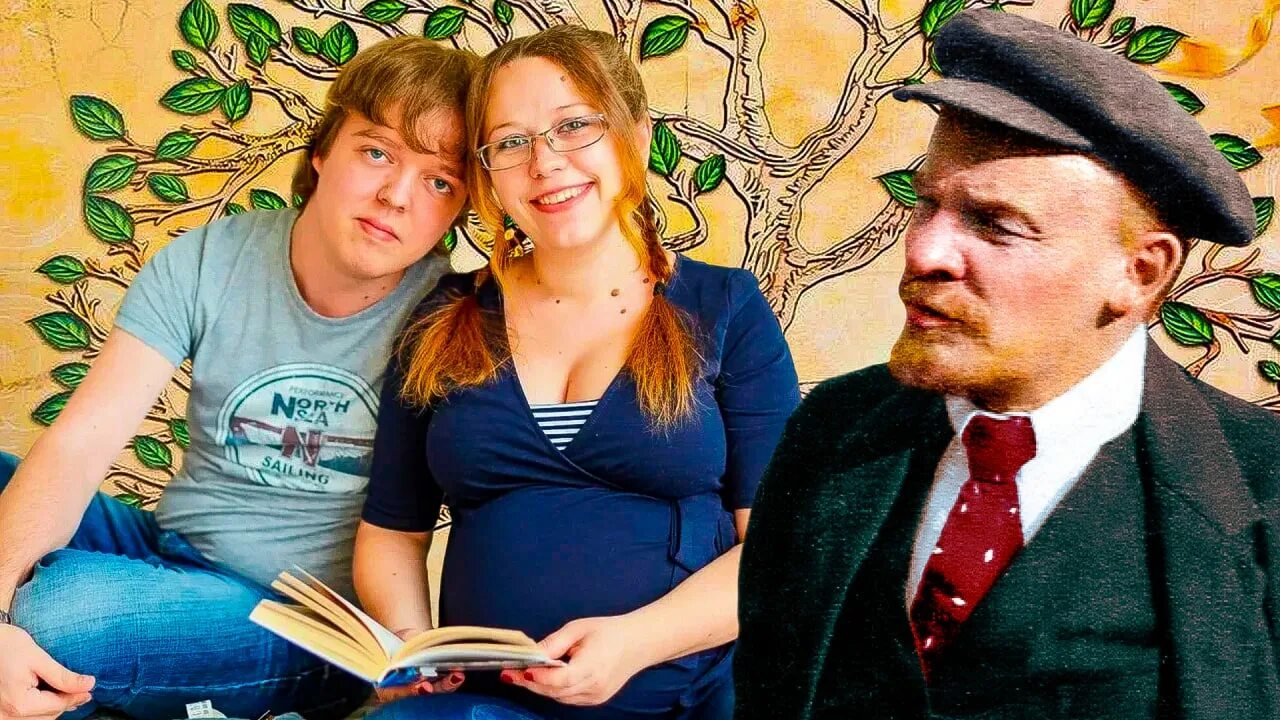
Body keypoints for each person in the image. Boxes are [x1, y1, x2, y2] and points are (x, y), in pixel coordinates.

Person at [735, 9, 1278, 720]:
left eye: (995, 225)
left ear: (1140, 273)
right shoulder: (833, 429)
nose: (925, 253)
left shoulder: (1262, 489)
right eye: (927, 203)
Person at [0, 36, 475, 720]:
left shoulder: (447, 318)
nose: (396, 196)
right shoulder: (210, 259)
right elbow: (80, 445)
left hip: (307, 628)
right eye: (378, 153)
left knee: (60, 611)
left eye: (440, 182)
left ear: (459, 209)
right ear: (323, 150)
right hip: (168, 552)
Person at [352, 24, 800, 720]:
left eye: (573, 126)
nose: (545, 163)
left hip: (686, 701)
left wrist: (635, 643)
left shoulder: (726, 308)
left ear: (635, 138)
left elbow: (782, 550)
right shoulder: (445, 314)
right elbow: (391, 533)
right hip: (483, 707)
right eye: (511, 142)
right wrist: (411, 649)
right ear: (488, 174)